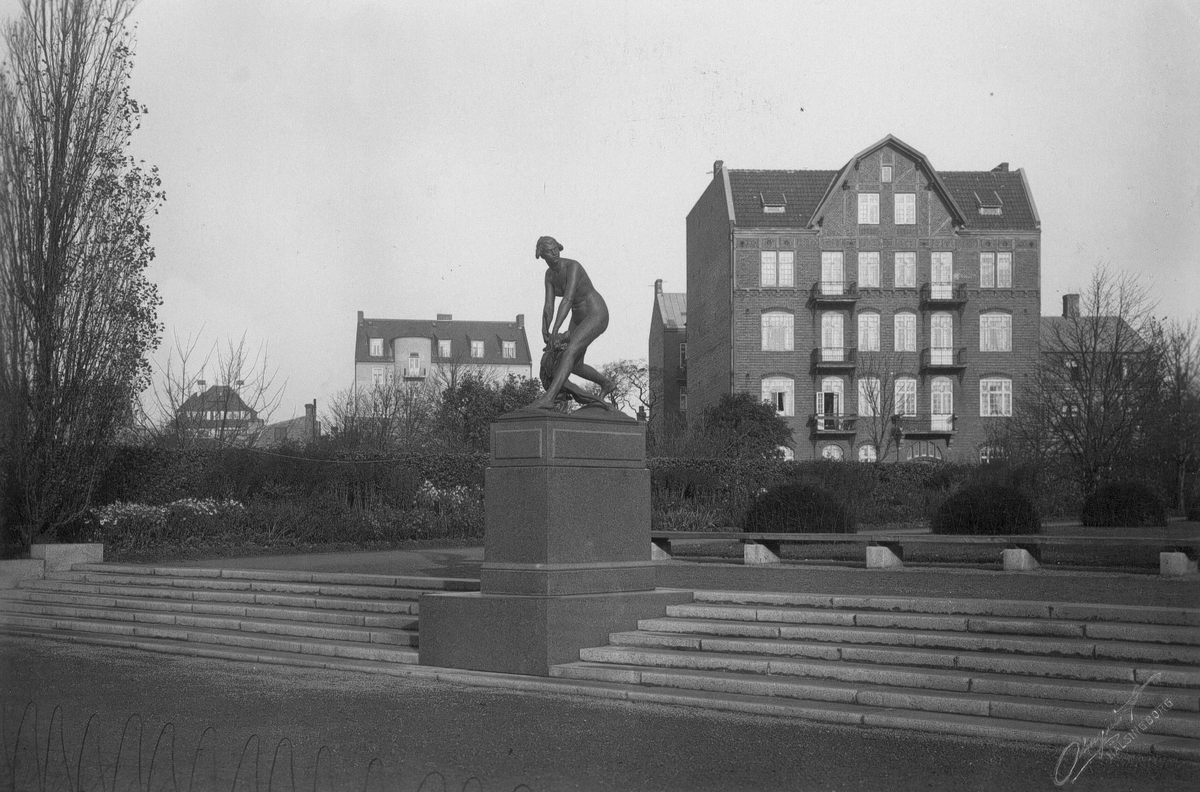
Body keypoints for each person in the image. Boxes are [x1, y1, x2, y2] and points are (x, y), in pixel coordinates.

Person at [528, 236, 616, 411]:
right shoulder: (549, 275)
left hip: (595, 312)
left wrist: (555, 330)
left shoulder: (572, 266)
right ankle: (606, 383)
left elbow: (567, 299)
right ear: (541, 255)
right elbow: (548, 305)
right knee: (574, 365)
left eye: (556, 249)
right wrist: (545, 329)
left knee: (569, 351)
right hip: (578, 316)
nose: (554, 253)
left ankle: (549, 398)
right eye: (549, 251)